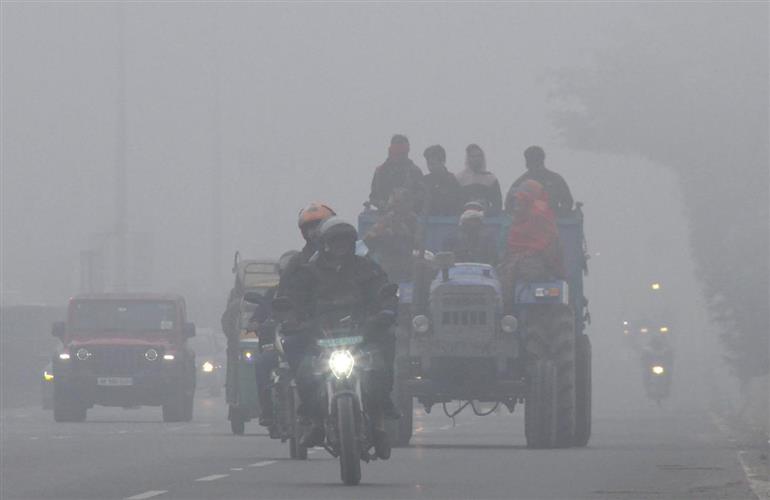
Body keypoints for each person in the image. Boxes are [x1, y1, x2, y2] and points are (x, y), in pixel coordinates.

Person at [291, 218, 400, 448]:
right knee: (304, 371)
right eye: (335, 242)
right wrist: (294, 320)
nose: (340, 247)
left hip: (362, 334)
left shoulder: (368, 268)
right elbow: (295, 301)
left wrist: (386, 311)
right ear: (325, 244)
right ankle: (314, 421)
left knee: (383, 357)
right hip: (322, 338)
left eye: (345, 242)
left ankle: (380, 418)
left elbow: (385, 292)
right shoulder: (308, 273)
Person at [248, 250, 299, 428]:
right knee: (262, 362)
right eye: (287, 273)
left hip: (305, 345)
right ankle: (267, 410)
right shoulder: (273, 294)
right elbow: (259, 314)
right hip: (280, 346)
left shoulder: (311, 291)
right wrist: (255, 323)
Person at [500, 180, 565, 309]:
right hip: (519, 267)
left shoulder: (540, 220)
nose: (516, 206)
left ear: (528, 201)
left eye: (520, 202)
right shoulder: (513, 224)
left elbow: (549, 252)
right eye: (516, 202)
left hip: (537, 270)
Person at [363, 188, 418, 282]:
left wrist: (402, 231)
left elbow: (416, 243)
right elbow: (368, 241)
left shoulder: (412, 220)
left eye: (398, 203)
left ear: (408, 204)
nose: (394, 206)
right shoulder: (386, 219)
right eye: (393, 203)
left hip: (406, 266)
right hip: (387, 266)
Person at [505, 145, 574, 216]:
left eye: (536, 160)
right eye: (531, 160)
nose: (533, 164)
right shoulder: (520, 182)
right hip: (527, 224)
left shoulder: (556, 180)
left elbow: (567, 202)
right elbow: (509, 206)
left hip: (551, 224)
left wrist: (554, 215)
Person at [368, 134, 424, 212]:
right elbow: (373, 196)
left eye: (402, 153)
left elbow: (421, 196)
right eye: (396, 152)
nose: (399, 157)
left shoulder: (415, 172)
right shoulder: (381, 171)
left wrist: (407, 203)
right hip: (384, 217)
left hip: (409, 218)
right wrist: (383, 204)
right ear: (390, 151)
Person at [456, 144, 503, 215]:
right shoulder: (460, 178)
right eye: (473, 156)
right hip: (464, 219)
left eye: (479, 156)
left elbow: (497, 204)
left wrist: (487, 213)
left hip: (485, 220)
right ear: (468, 158)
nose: (476, 159)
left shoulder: (490, 178)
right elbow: (455, 202)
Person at [422, 144, 464, 216]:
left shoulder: (452, 181)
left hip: (447, 222)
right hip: (427, 223)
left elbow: (458, 205)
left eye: (433, 164)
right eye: (428, 164)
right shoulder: (424, 181)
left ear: (443, 161)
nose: (430, 167)